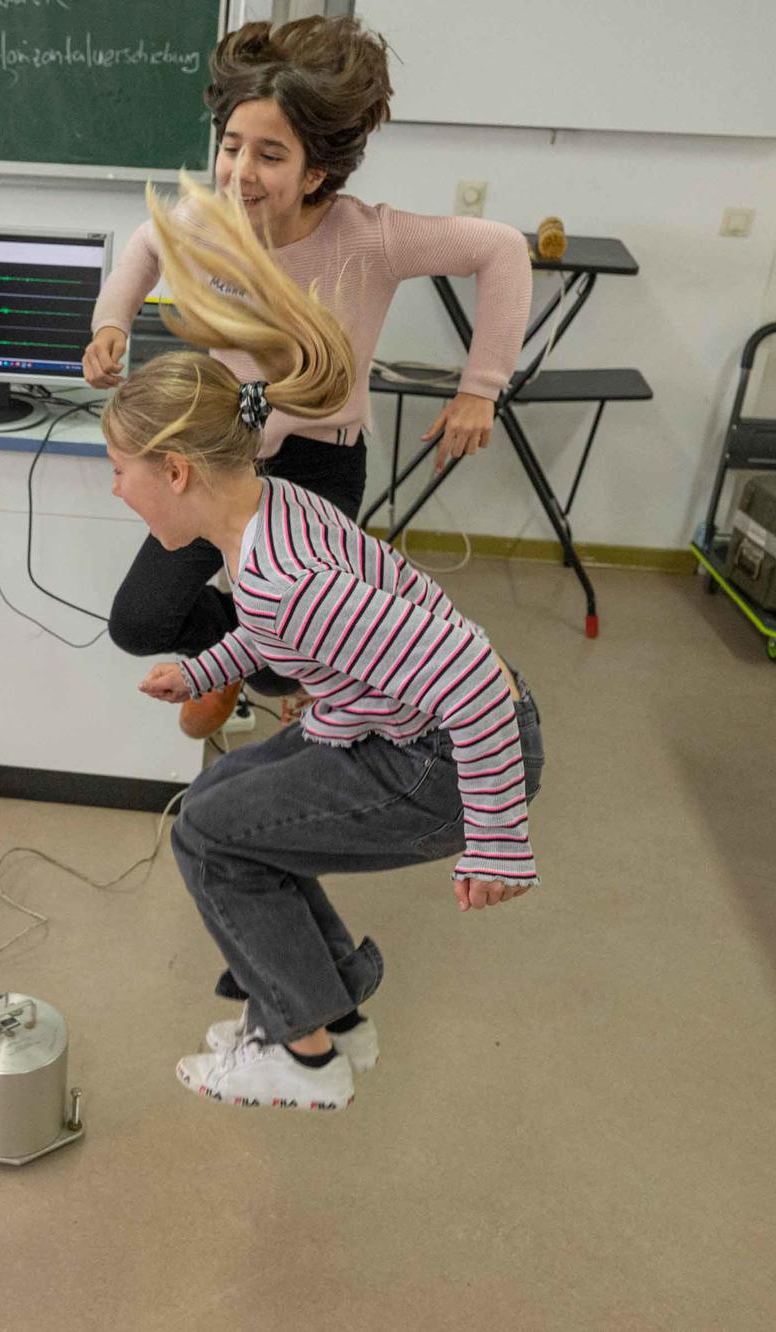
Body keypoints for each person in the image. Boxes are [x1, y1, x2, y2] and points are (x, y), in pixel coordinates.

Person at [102, 177, 546, 1113]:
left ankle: (302, 1056)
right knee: (222, 792)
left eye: (121, 474)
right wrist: (203, 669)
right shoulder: (269, 512)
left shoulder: (281, 576)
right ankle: (331, 1011)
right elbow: (265, 634)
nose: (116, 494)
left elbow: (470, 678)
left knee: (212, 837)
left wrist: (499, 844)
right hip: (398, 731)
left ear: (177, 471)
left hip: (448, 762)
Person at [85, 16, 532, 740]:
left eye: (269, 155)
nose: (238, 172)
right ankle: (224, 663)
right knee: (140, 622)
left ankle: (250, 667)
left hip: (320, 464)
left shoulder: (368, 236)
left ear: (315, 171)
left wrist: (480, 387)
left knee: (286, 667)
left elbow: (504, 250)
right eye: (230, 147)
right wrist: (113, 324)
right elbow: (144, 245)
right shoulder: (211, 223)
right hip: (219, 459)